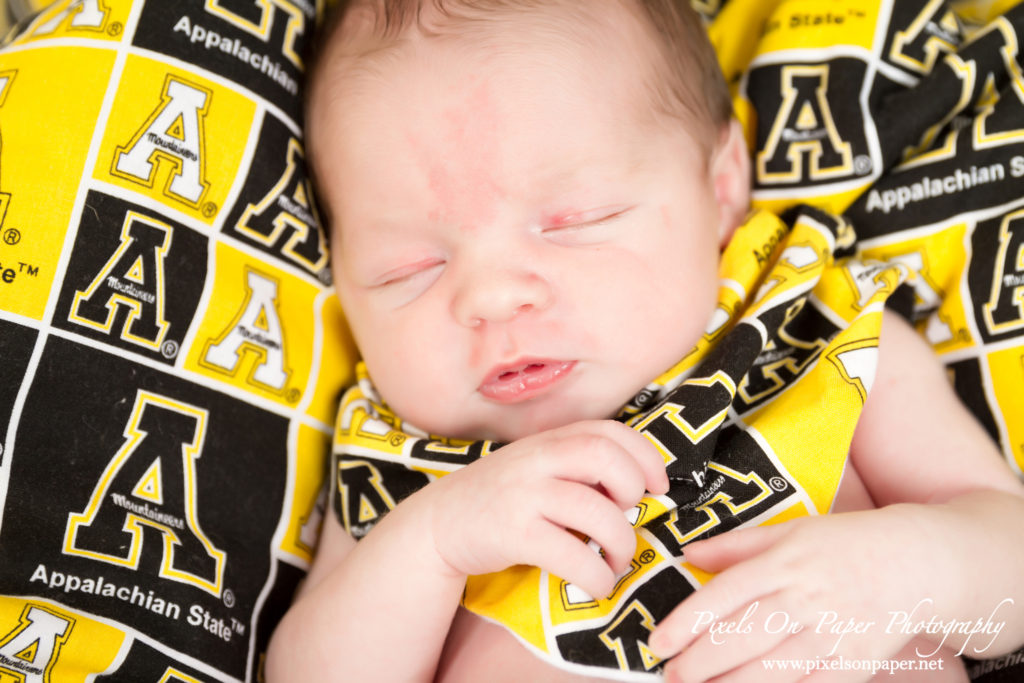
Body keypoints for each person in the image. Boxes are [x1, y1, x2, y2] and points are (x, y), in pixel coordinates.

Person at [266, 0, 1024, 680]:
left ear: (721, 187)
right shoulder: (397, 458)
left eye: (575, 221)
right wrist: (435, 543)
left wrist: (909, 566)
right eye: (410, 270)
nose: (492, 297)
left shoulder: (813, 333)